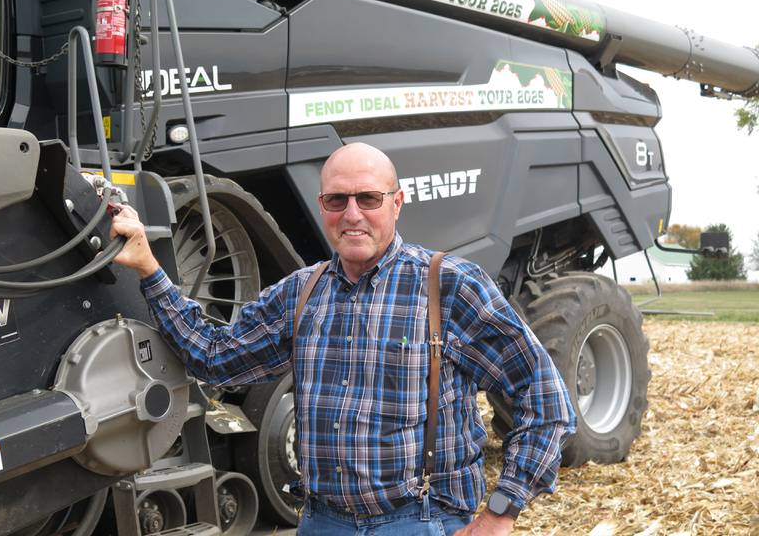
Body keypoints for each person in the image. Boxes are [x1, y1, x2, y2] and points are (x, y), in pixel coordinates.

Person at [111, 143, 576, 535]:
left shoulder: (449, 286)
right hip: (321, 521)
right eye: (337, 200)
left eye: (369, 199)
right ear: (322, 207)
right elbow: (214, 357)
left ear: (397, 203)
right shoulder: (301, 292)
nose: (352, 215)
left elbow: (545, 398)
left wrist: (501, 513)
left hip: (418, 521)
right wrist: (149, 270)